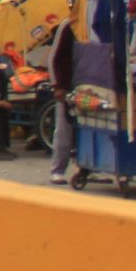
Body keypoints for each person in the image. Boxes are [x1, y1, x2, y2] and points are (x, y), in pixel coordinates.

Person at [46, 21, 79, 184]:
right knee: (64, 129)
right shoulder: (68, 25)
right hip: (67, 86)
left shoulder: (97, 22)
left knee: (91, 127)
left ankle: (87, 168)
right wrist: (57, 85)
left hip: (89, 85)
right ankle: (58, 170)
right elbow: (53, 57)